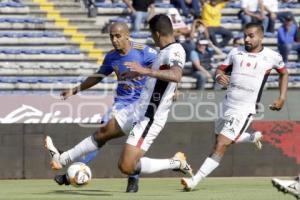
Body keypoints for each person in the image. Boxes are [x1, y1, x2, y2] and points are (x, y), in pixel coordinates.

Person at [45, 14, 193, 190]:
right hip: (136, 107)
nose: (114, 40)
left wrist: (144, 71)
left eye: (117, 36)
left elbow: (175, 75)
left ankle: (174, 163)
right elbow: (157, 75)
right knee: (103, 132)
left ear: (157, 34)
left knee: (126, 166)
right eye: (111, 36)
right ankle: (62, 158)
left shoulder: (173, 51)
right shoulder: (158, 51)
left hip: (149, 116)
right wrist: (136, 73)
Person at [181, 22, 289, 191]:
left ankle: (194, 180)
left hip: (245, 109)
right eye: (245, 35)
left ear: (261, 37)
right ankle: (251, 137)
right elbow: (220, 70)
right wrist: (219, 77)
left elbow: (284, 73)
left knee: (221, 144)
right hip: (227, 104)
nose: (246, 39)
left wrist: (282, 97)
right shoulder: (235, 52)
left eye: (251, 36)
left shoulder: (272, 56)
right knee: (219, 140)